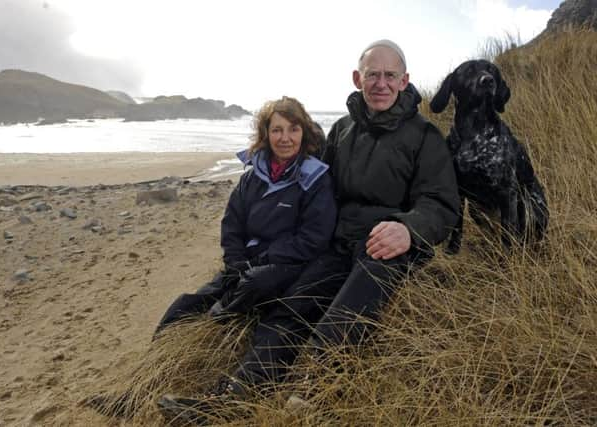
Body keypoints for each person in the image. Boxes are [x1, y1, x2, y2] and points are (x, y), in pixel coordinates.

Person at [158, 39, 459, 422]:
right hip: (337, 243)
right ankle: (228, 401)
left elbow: (441, 204)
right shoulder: (343, 130)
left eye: (389, 76)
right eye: (372, 75)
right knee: (289, 308)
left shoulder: (424, 137)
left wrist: (409, 228)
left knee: (343, 311)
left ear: (404, 81)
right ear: (357, 79)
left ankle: (311, 393)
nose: (380, 84)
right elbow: (311, 181)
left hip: (388, 245)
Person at [154, 96, 336, 334]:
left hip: (288, 264)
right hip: (246, 261)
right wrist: (235, 262)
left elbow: (314, 238)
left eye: (293, 129)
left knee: (254, 283)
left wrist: (259, 261)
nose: (285, 138)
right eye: (277, 130)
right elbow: (232, 224)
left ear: (304, 134)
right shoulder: (251, 178)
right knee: (185, 304)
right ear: (265, 134)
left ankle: (211, 326)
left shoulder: (316, 179)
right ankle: (159, 346)